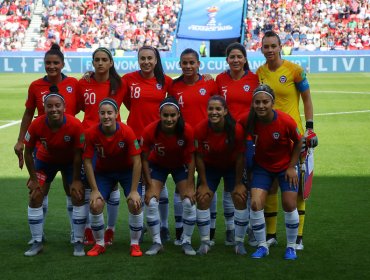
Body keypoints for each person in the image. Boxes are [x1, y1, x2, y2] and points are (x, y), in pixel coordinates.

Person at [256, 31, 318, 250]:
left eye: (273, 46)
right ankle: (271, 235)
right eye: (266, 46)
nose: (270, 50)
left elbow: (308, 100)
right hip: (270, 138)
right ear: (261, 48)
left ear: (280, 46)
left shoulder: (295, 70)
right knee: (271, 186)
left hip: (294, 138)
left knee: (297, 187)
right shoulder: (260, 72)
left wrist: (309, 129)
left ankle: (298, 238)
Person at [14, 43, 79, 245]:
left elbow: (88, 107)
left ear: (62, 64)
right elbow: (27, 113)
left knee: (73, 192)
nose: (51, 66)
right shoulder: (35, 86)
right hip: (44, 150)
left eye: (55, 63)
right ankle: (38, 235)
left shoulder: (74, 84)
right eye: (48, 63)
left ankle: (74, 234)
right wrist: (20, 140)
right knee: (38, 191)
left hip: (69, 150)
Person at [241, 84, 303, 260]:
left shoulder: (285, 120)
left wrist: (292, 166)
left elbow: (299, 142)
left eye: (265, 102)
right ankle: (262, 246)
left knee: (289, 204)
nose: (261, 106)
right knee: (255, 204)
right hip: (262, 168)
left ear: (272, 102)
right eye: (257, 102)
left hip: (285, 167)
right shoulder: (247, 120)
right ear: (252, 103)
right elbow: (233, 127)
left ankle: (291, 247)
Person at [23, 92, 86, 257]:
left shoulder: (75, 124)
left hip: (69, 162)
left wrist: (77, 180)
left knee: (77, 194)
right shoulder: (36, 124)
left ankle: (78, 240)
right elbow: (28, 152)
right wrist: (35, 180)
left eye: (57, 105)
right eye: (49, 106)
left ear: (64, 107)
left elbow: (79, 154)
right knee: (35, 195)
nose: (54, 109)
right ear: (44, 108)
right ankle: (37, 241)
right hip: (45, 161)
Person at [122, 46, 173, 243]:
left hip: (157, 138)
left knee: (157, 179)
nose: (146, 62)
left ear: (156, 60)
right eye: (142, 58)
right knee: (141, 181)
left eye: (149, 58)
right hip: (135, 137)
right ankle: (142, 225)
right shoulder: (129, 79)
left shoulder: (165, 81)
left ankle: (164, 225)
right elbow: (127, 102)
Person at [168, 48, 218, 245]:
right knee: (181, 188)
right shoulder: (173, 86)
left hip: (207, 142)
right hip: (183, 143)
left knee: (208, 186)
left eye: (192, 63)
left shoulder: (209, 83)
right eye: (184, 63)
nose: (188, 66)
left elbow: (218, 108)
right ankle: (180, 232)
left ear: (199, 64)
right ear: (179, 64)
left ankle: (211, 232)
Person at [77, 47, 125, 246]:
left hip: (113, 139)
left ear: (111, 62)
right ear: (92, 62)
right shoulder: (83, 82)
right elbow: (79, 106)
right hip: (89, 138)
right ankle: (88, 228)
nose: (100, 63)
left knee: (112, 185)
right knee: (89, 185)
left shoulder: (120, 84)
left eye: (104, 59)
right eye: (96, 59)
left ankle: (110, 230)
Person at [83, 98, 143, 257]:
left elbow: (137, 161)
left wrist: (135, 190)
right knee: (95, 204)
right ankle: (99, 244)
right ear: (98, 115)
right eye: (102, 113)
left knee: (134, 203)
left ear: (117, 114)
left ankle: (135, 244)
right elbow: (87, 162)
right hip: (104, 173)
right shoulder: (90, 133)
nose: (106, 116)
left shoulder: (127, 131)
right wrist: (94, 190)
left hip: (126, 171)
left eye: (110, 112)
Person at [215, 42, 259, 245]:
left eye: (239, 57)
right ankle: (231, 229)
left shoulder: (254, 79)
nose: (235, 60)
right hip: (227, 139)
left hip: (249, 138)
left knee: (248, 182)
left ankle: (249, 225)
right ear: (227, 60)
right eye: (232, 57)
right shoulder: (220, 80)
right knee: (229, 185)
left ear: (245, 59)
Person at [141, 97, 197, 256]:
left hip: (180, 166)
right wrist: (149, 185)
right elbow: (143, 159)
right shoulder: (150, 130)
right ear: (160, 114)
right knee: (151, 201)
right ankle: (157, 242)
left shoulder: (187, 130)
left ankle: (186, 241)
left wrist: (191, 185)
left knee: (188, 201)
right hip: (158, 166)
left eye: (172, 115)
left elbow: (192, 158)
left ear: (178, 115)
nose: (169, 119)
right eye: (165, 115)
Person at [194, 95, 245, 255]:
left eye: (218, 109)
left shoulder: (236, 129)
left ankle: (239, 242)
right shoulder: (200, 129)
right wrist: (202, 183)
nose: (214, 112)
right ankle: (205, 242)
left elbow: (240, 158)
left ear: (225, 111)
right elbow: (199, 158)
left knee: (239, 197)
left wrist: (238, 183)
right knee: (202, 198)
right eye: (211, 109)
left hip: (231, 168)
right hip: (210, 168)